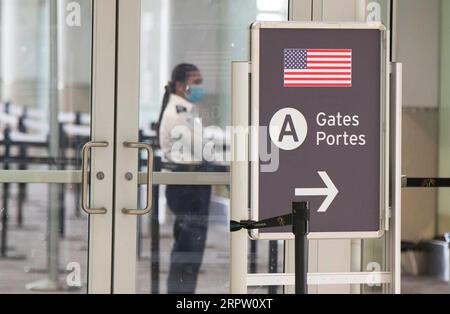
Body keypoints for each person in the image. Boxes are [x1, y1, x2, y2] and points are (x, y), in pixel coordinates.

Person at [158, 63, 212, 294]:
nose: (200, 87)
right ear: (180, 85)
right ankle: (180, 296)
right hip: (187, 184)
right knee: (188, 250)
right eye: (195, 82)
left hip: (191, 183)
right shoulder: (178, 113)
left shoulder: (187, 109)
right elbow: (200, 149)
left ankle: (183, 295)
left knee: (190, 247)